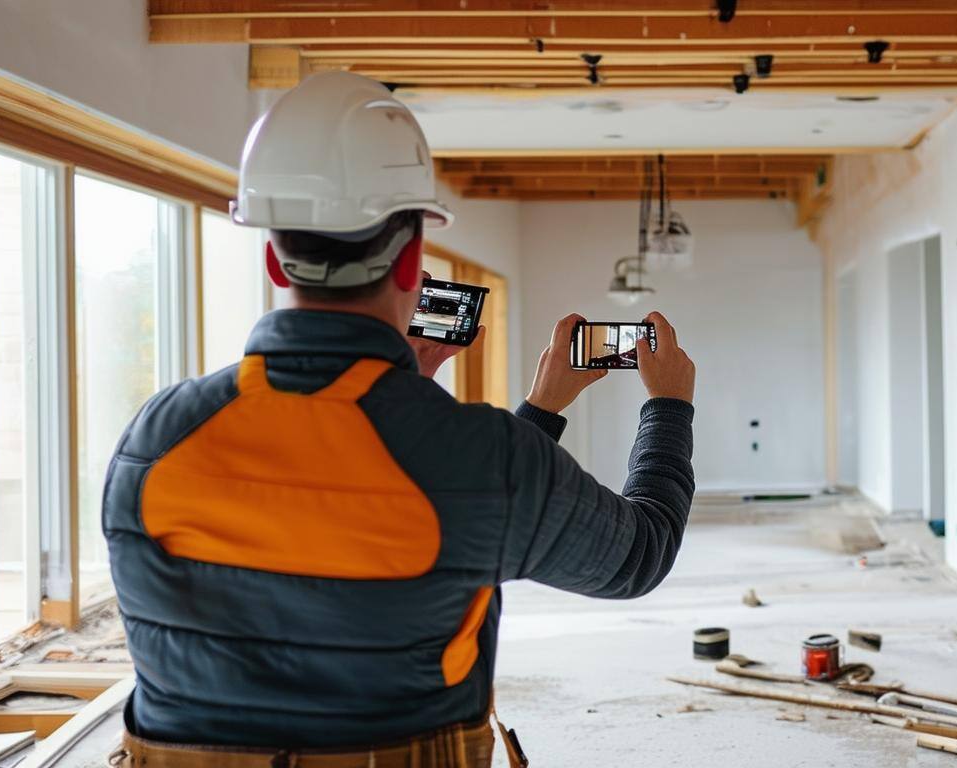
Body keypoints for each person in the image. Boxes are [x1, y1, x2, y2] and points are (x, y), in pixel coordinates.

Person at [102, 71, 696, 768]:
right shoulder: (482, 460)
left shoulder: (155, 437)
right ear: (412, 258)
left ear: (272, 255)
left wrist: (447, 398)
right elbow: (637, 556)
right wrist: (668, 405)